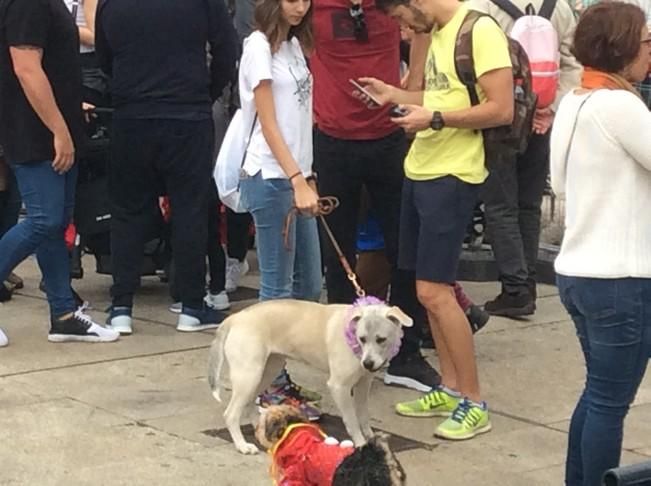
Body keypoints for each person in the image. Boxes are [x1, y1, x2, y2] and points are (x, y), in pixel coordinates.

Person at [360, 0, 514, 439]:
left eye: (402, 19)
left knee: (436, 291)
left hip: (453, 174)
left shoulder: (479, 30)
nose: (404, 30)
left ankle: (473, 401)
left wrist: (437, 119)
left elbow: (500, 108)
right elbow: (438, 97)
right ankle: (450, 387)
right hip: (421, 168)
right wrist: (395, 95)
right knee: (426, 292)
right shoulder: (440, 32)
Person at [311, 0, 442, 394]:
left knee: (406, 246)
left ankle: (405, 350)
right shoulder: (314, 6)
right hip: (332, 136)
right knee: (338, 253)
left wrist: (413, 82)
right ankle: (344, 348)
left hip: (388, 135)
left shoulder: (390, 5)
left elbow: (425, 25)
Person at [550, 3, 651, 484]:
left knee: (598, 395)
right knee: (610, 402)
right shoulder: (620, 105)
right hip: (620, 279)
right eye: (647, 41)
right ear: (625, 47)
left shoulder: (576, 100)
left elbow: (559, 182)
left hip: (578, 271)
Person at [96, 0, 238, 334]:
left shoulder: (111, 4)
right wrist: (206, 93)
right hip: (186, 110)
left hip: (132, 112)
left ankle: (121, 307)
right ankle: (190, 305)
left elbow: (105, 58)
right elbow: (226, 49)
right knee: (189, 211)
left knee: (127, 211)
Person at [0, 0, 120, 345]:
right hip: (35, 132)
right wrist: (58, 129)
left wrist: (68, 108)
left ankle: (64, 314)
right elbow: (26, 68)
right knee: (44, 220)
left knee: (56, 224)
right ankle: (63, 312)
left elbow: (51, 64)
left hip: (54, 124)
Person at [466, 0, 582, 317]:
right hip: (542, 120)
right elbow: (572, 64)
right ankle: (526, 283)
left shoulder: (481, 7)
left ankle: (515, 289)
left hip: (501, 122)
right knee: (529, 205)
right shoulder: (558, 7)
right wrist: (550, 108)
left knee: (501, 205)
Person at [237, 0, 323, 419]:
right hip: (272, 178)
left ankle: (276, 375)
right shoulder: (258, 46)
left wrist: (307, 175)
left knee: (308, 284)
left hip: (298, 176)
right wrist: (295, 177)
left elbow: (299, 118)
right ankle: (267, 386)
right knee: (276, 288)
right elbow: (268, 122)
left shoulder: (294, 46)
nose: (299, 6)